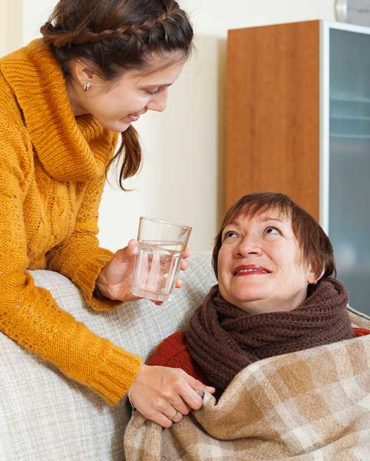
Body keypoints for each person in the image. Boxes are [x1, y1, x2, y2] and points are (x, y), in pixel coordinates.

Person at [0, 0, 214, 429]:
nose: (161, 105)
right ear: (87, 73)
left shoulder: (97, 125)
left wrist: (104, 274)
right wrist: (129, 375)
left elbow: (71, 239)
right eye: (151, 89)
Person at [148, 192, 365, 397]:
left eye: (271, 231)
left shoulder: (361, 349)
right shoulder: (175, 366)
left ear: (313, 267)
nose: (245, 247)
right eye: (231, 235)